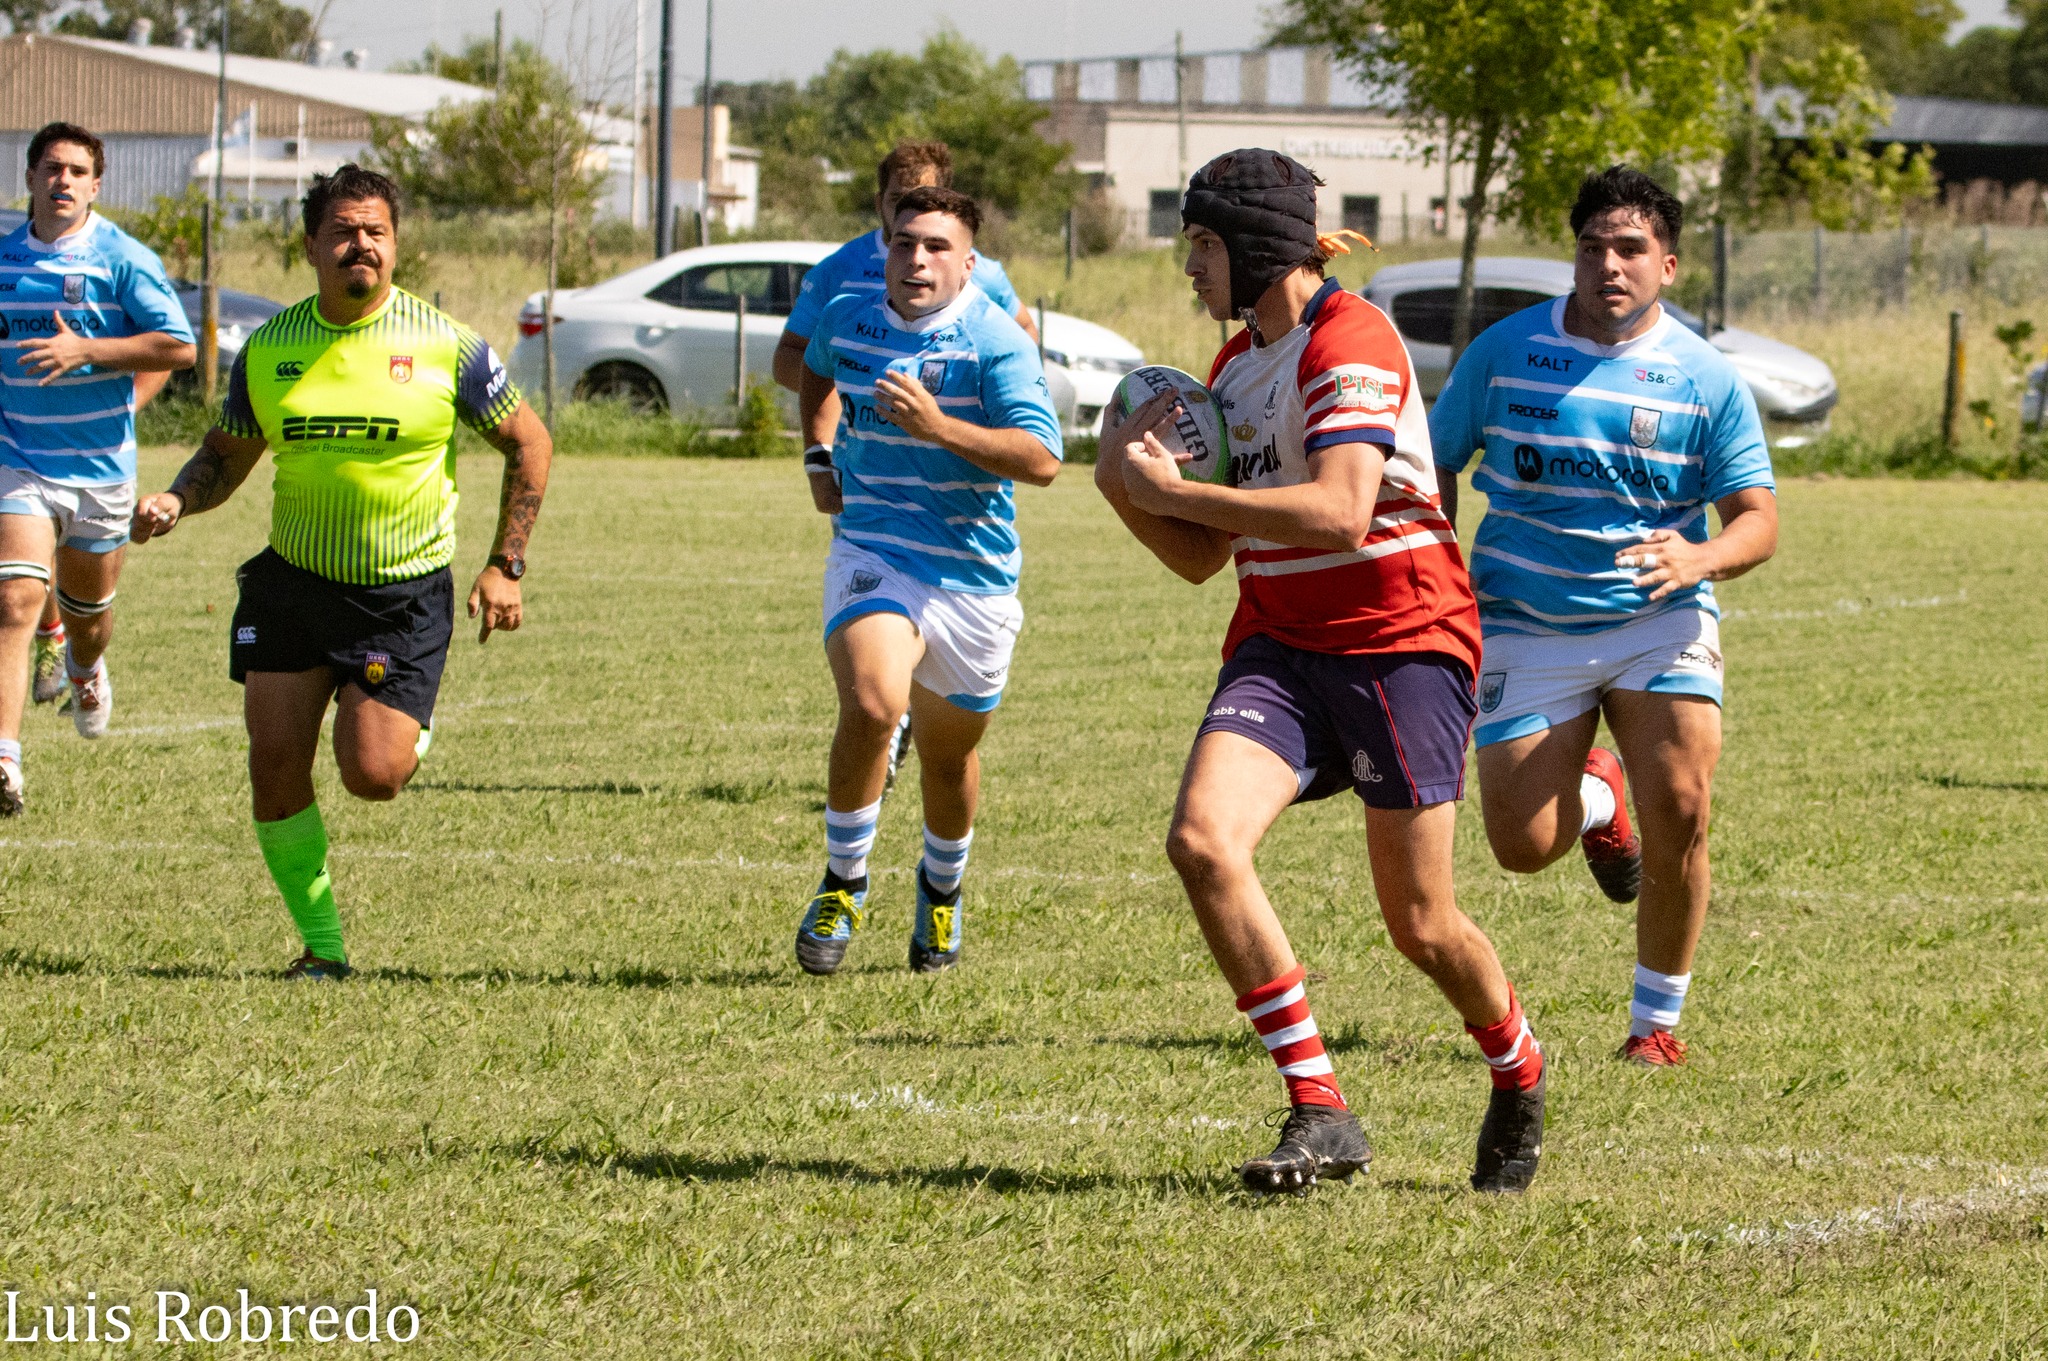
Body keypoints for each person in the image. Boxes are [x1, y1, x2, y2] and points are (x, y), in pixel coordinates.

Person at [1096, 149, 1547, 1196]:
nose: (1188, 266)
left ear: (1254, 246)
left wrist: (1178, 490)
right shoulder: (1227, 369)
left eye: (1201, 244)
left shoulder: (1352, 340)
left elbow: (1342, 511)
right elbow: (1202, 559)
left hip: (1400, 642)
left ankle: (1516, 1067)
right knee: (1203, 841)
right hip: (1282, 647)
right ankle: (1320, 1107)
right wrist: (1126, 486)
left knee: (1420, 925)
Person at [128, 165, 553, 981]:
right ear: (312, 245)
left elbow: (528, 443)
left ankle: (410, 718)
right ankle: (322, 948)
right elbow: (225, 454)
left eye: (376, 232)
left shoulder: (447, 345)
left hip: (400, 593)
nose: (361, 245)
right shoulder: (272, 347)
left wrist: (507, 563)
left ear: (396, 245)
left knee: (374, 774)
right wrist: (179, 501)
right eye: (344, 231)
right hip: (292, 581)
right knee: (275, 763)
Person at [1429, 166, 1778, 1067]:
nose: (1608, 266)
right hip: (1524, 619)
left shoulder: (1705, 377)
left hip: (1658, 617)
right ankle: (1596, 800)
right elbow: (1433, 466)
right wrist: (1434, 563)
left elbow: (1757, 520)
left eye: (1630, 250)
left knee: (1685, 806)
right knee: (1520, 845)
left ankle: (1654, 1024)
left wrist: (1698, 558)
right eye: (1592, 248)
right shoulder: (1504, 353)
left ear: (1667, 265)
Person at [791, 184, 1061, 977]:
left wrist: (939, 427)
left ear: (967, 261)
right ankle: (844, 880)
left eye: (936, 247)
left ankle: (941, 891)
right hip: (873, 548)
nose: (916, 259)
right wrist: (818, 450)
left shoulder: (994, 341)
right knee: (874, 702)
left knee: (948, 757)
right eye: (904, 242)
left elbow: (1042, 460)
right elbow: (814, 371)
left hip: (972, 577)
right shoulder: (849, 311)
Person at [773, 142, 1041, 795]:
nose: (915, 250)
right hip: (869, 493)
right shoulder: (842, 271)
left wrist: (957, 403)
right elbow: (796, 360)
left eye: (921, 199)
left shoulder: (984, 275)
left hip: (959, 507)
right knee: (877, 660)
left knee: (945, 722)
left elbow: (1022, 343)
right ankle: (885, 732)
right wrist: (834, 428)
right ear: (879, 204)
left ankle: (911, 727)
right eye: (897, 204)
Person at [0, 122, 196, 814]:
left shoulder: (121, 256)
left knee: (88, 617)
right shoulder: (2, 260)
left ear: (96, 185)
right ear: (29, 178)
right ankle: (5, 763)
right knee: (15, 599)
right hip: (18, 459)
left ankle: (84, 664)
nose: (63, 181)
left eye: (78, 171)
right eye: (52, 168)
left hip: (98, 471)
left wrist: (89, 353)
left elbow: (178, 346)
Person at [31, 370, 170, 710]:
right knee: (22, 548)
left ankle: (79, 656)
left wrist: (116, 410)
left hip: (91, 457)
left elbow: (168, 347)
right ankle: (51, 636)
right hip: (17, 441)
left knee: (85, 599)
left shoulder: (104, 315)